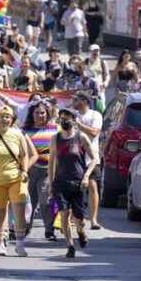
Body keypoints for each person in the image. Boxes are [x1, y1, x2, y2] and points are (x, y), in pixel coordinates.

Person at [0, 105, 36, 257]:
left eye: (7, 117)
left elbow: (24, 155)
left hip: (16, 178)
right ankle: (0, 243)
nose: (4, 119)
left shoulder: (18, 135)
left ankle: (20, 244)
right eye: (1, 116)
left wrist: (24, 171)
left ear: (12, 120)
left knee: (19, 211)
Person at [48, 107, 98, 258]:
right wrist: (51, 183)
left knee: (79, 219)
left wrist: (86, 176)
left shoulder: (81, 137)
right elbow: (51, 163)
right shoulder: (55, 139)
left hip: (78, 183)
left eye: (67, 118)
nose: (64, 120)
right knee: (64, 213)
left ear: (74, 120)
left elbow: (94, 159)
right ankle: (70, 245)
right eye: (62, 118)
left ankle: (81, 233)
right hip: (61, 183)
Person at [23, 100, 58, 240]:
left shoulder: (55, 129)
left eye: (42, 112)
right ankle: (25, 229)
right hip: (29, 171)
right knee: (28, 201)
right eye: (36, 113)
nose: (40, 115)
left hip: (47, 172)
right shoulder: (24, 131)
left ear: (47, 113)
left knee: (45, 201)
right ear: (32, 114)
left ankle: (49, 230)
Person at [72, 91, 103, 230]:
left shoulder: (95, 115)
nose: (73, 102)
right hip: (74, 156)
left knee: (92, 186)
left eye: (76, 99)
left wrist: (78, 124)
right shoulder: (73, 114)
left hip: (91, 156)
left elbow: (94, 132)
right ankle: (74, 217)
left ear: (84, 101)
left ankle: (94, 219)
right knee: (73, 188)